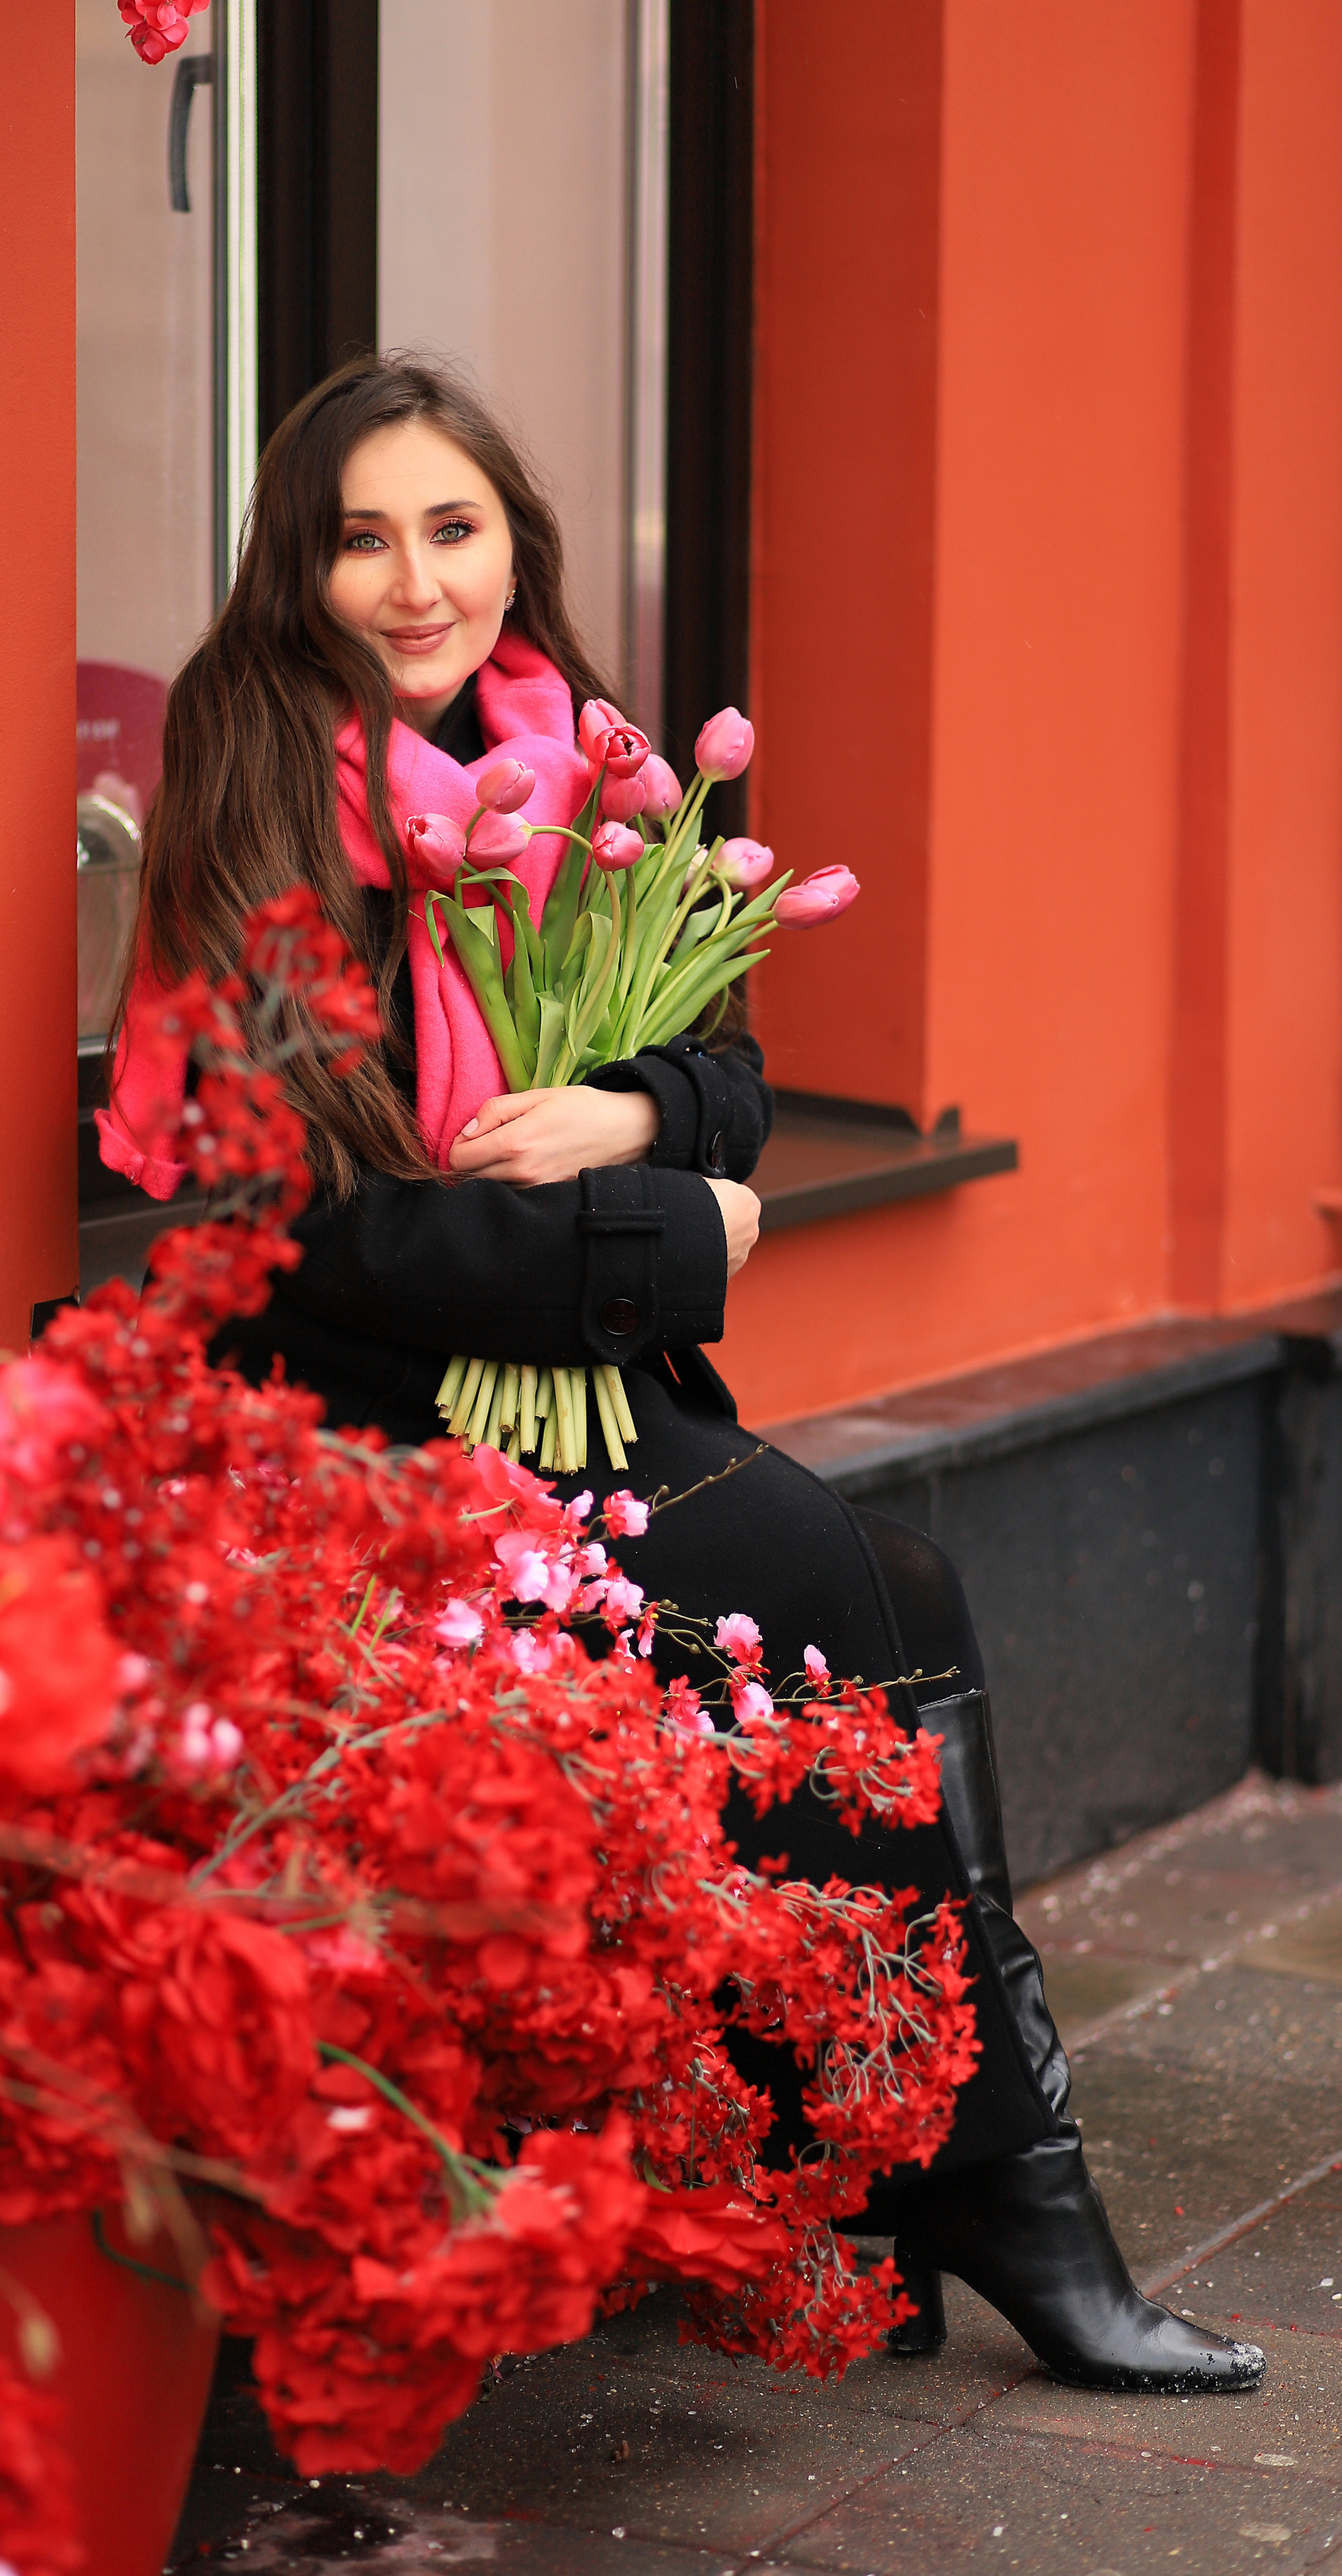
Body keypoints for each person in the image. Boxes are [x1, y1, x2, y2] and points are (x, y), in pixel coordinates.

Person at [99, 354, 1261, 2398]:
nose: (414, 579)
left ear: (514, 549)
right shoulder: (261, 787)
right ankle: (1002, 2188)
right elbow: (312, 1233)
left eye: (452, 528)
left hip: (560, 1395)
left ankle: (898, 2169)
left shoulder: (563, 760)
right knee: (821, 1591)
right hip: (362, 1427)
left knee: (897, 1583)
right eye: (363, 535)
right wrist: (678, 1236)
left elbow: (721, 1059)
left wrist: (637, 1128)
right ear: (300, 563)